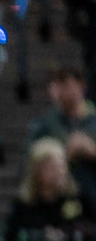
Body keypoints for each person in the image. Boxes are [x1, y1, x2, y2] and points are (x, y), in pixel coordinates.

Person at [27, 66, 96, 202]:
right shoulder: (48, 124)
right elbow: (32, 157)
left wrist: (91, 150)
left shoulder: (93, 121)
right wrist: (64, 152)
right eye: (60, 86)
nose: (66, 92)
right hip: (60, 199)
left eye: (69, 86)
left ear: (81, 86)